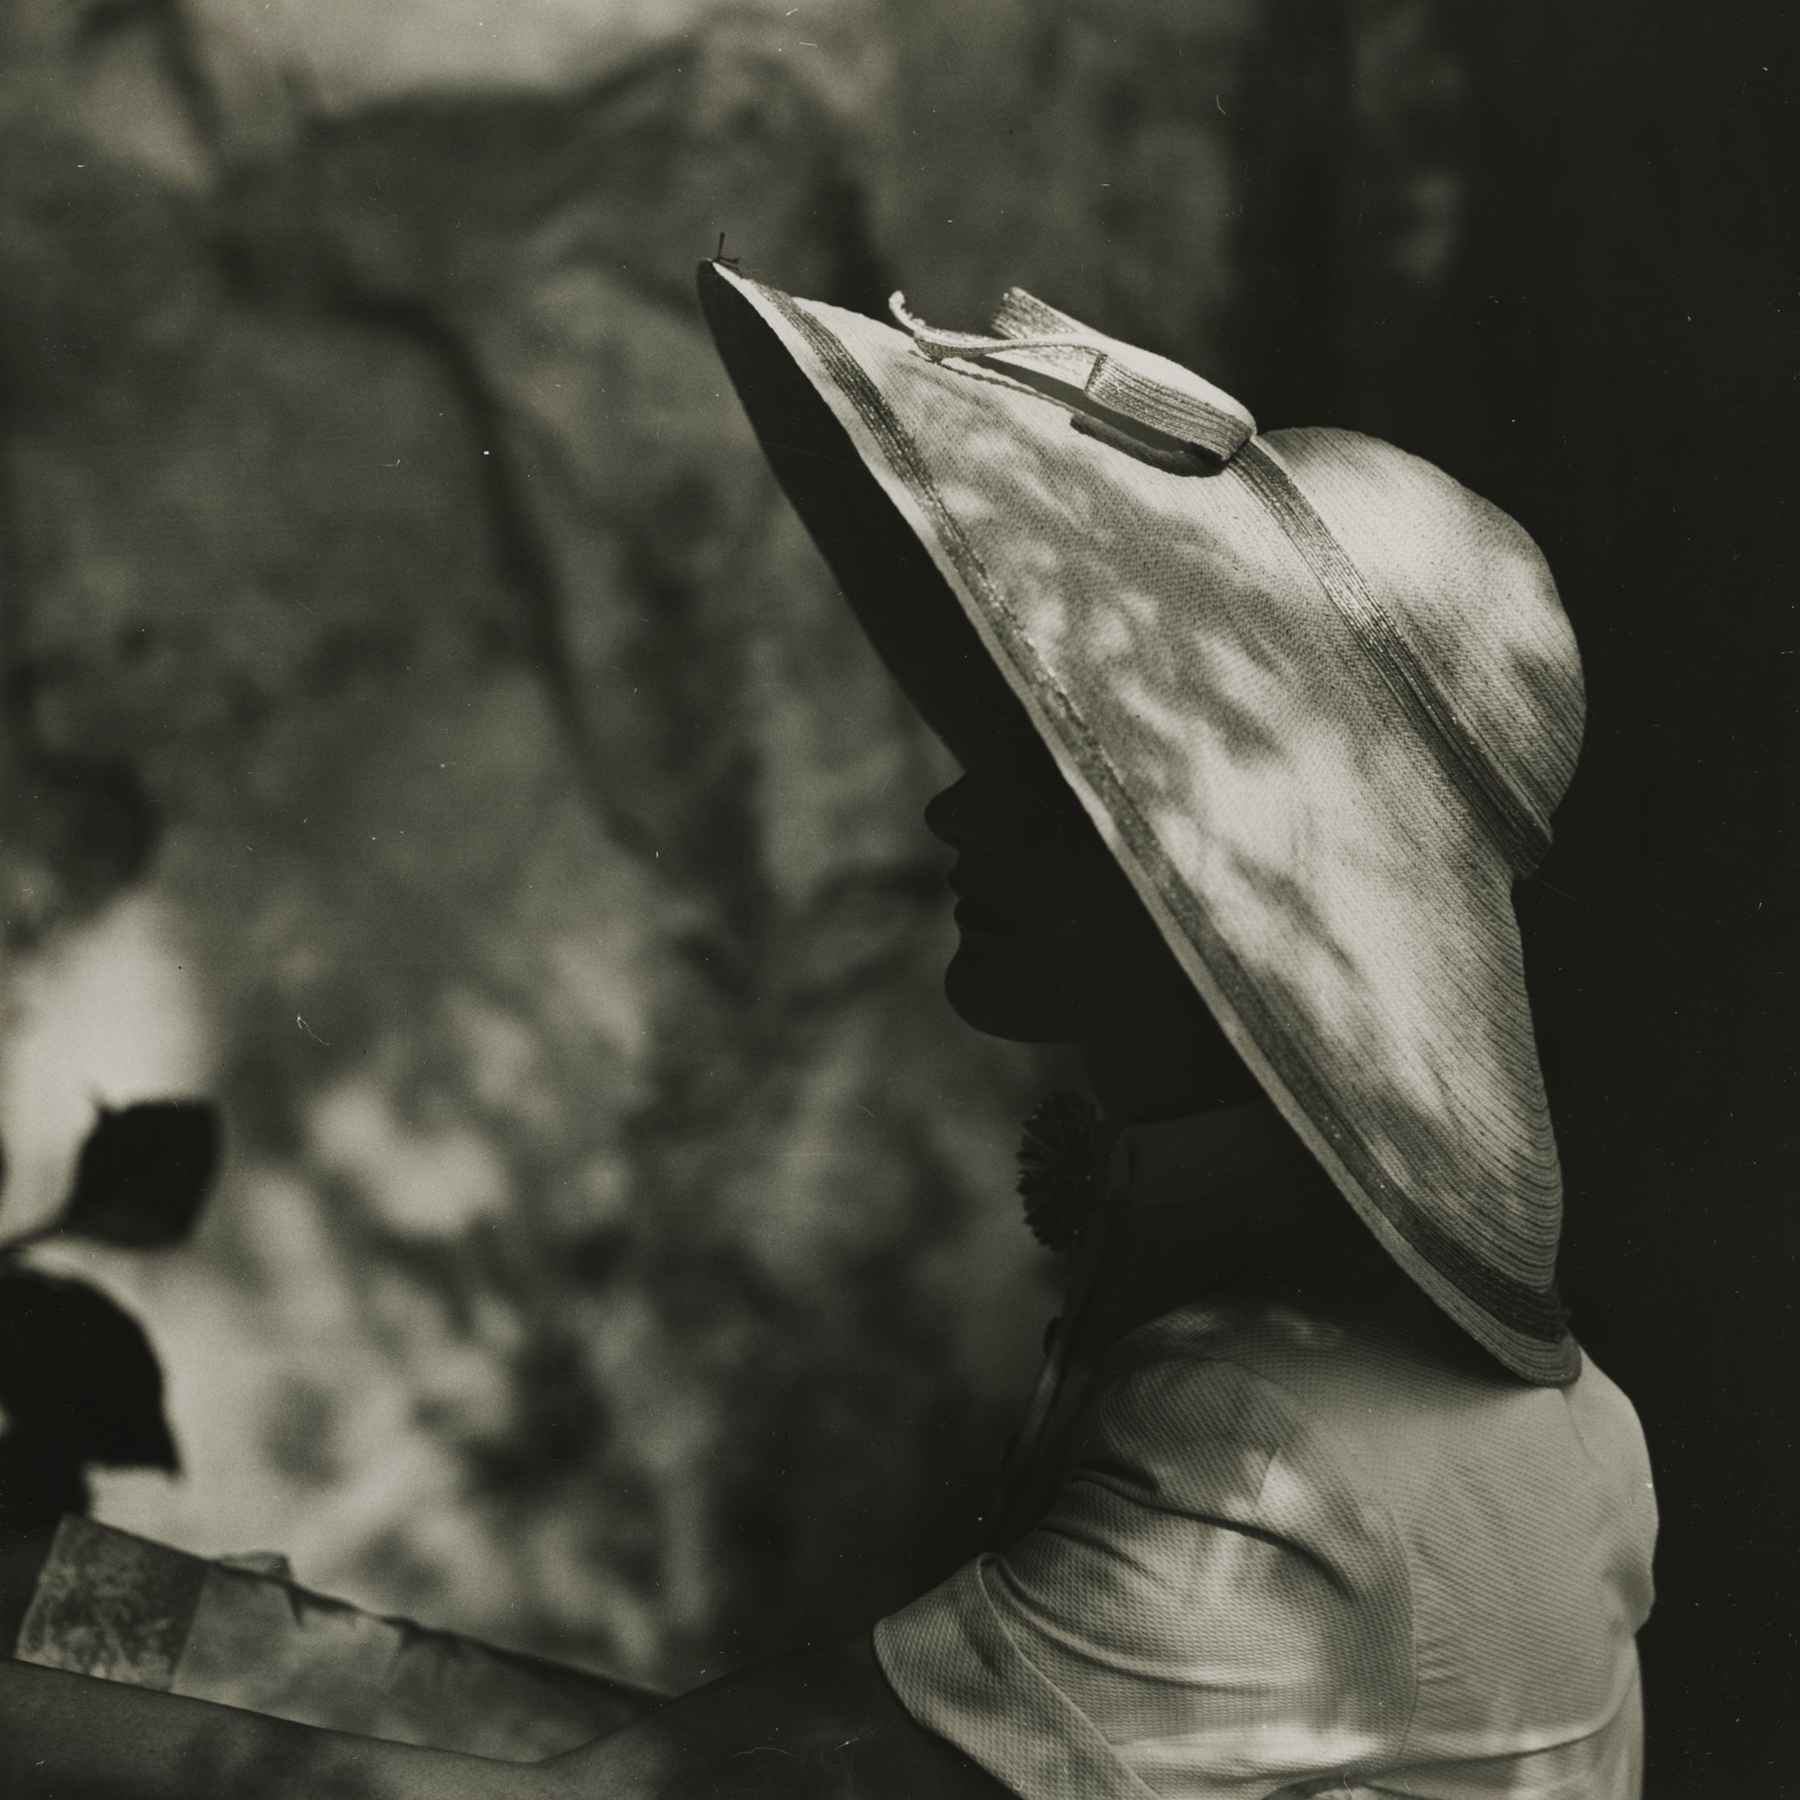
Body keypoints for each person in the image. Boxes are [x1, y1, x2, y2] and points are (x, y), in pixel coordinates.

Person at [0, 263, 1656, 1799]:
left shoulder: (1281, 1464)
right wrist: (93, 1611)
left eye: (1062, 778)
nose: (954, 804)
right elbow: (729, 1754)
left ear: (1227, 887)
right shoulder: (1457, 1401)